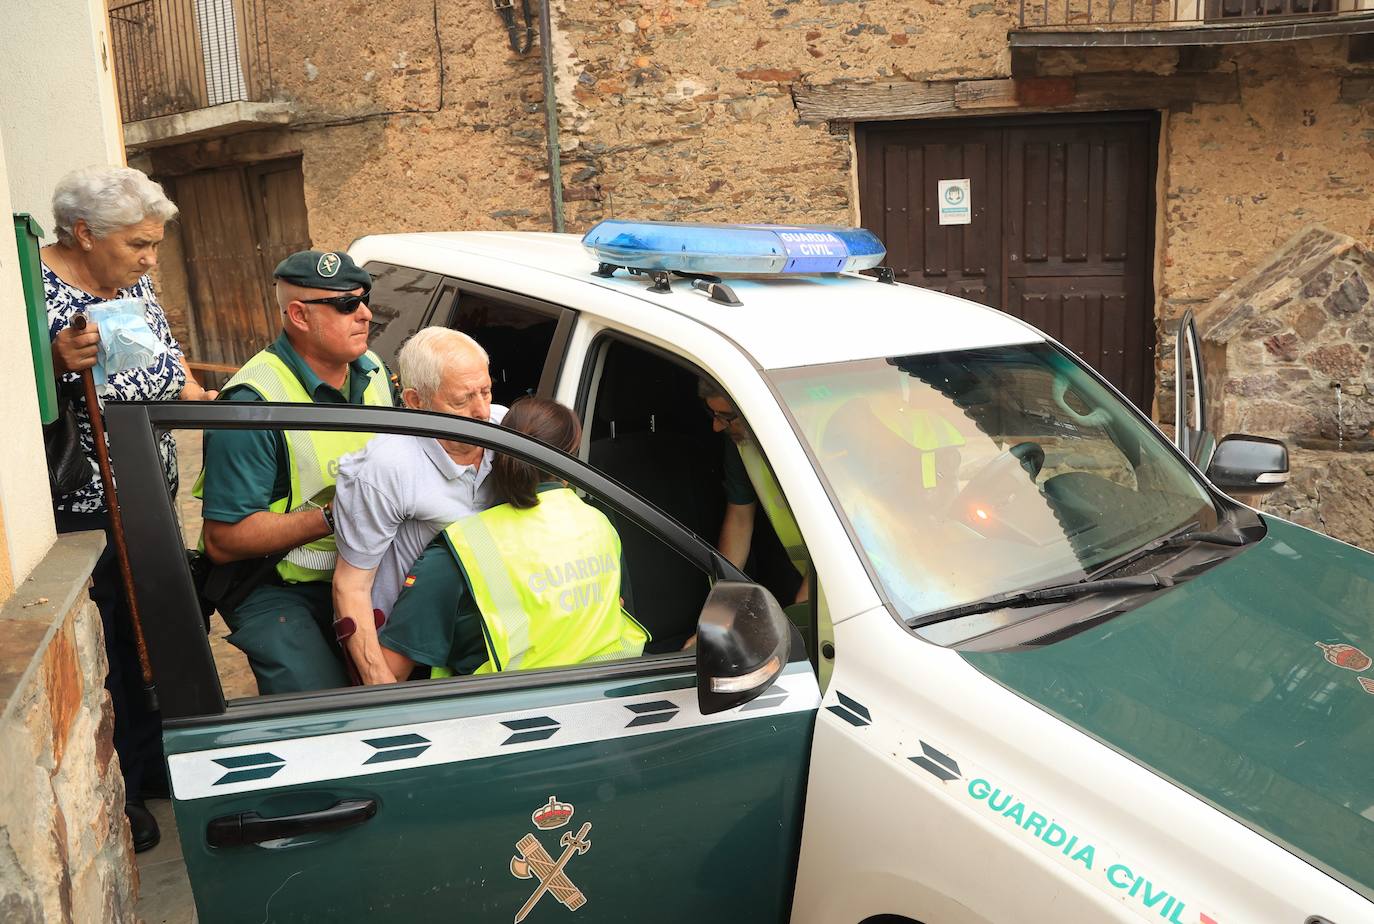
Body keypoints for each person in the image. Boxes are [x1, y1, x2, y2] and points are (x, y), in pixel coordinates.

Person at [42, 164, 218, 853]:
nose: (149, 260)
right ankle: (117, 788)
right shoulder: (32, 294)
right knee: (110, 644)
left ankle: (150, 767)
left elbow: (162, 364)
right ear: (84, 234)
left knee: (154, 632)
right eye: (137, 245)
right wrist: (55, 362)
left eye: (153, 245)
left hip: (148, 494)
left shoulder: (131, 283)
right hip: (85, 508)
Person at [197, 249, 396, 695]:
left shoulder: (375, 370)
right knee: (321, 709)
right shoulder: (252, 403)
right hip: (278, 586)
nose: (365, 314)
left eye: (365, 299)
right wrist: (334, 516)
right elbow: (223, 541)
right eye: (346, 305)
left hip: (367, 569)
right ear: (299, 316)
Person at [377, 397, 648, 680]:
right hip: (608, 696)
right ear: (570, 459)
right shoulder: (600, 524)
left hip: (506, 714)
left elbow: (388, 676)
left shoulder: (465, 547)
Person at [331, 328, 507, 685]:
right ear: (415, 401)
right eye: (462, 400)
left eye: (486, 391)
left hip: (496, 637)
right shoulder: (386, 468)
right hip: (410, 652)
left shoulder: (509, 432)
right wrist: (381, 685)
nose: (482, 411)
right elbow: (350, 586)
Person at [698, 379, 809, 605]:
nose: (716, 426)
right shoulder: (740, 441)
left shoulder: (815, 436)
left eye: (726, 416)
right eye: (713, 413)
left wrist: (808, 606)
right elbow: (739, 519)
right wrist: (719, 609)